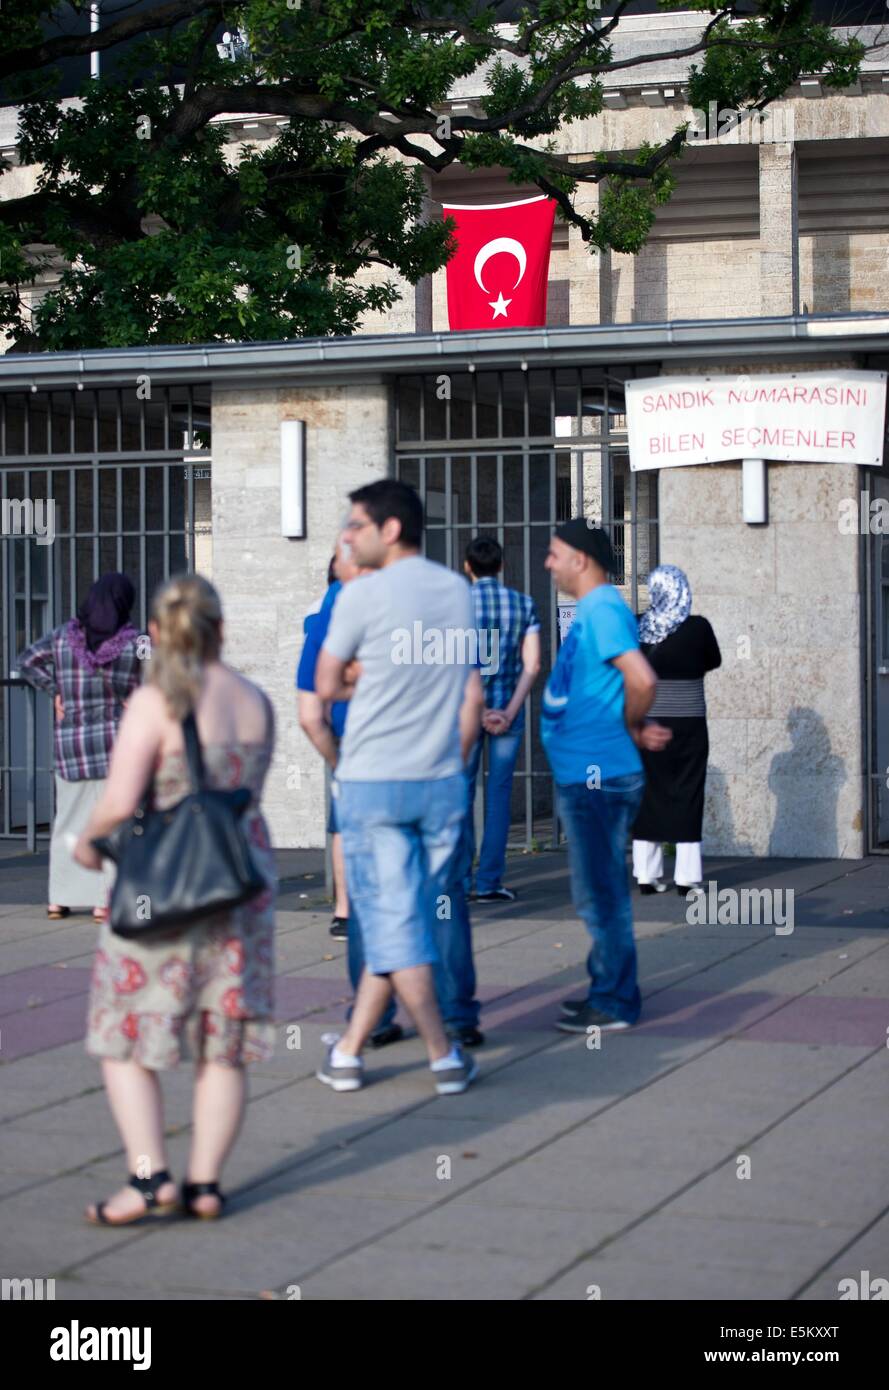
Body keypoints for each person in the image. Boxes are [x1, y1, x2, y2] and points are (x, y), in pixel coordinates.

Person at [73, 574, 277, 1225]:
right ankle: (206, 1185)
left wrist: (84, 845)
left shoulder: (155, 701)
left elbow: (119, 804)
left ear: (155, 633)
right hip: (238, 888)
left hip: (163, 895)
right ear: (221, 630)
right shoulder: (253, 700)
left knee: (123, 1037)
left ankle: (150, 1177)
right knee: (224, 1043)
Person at [315, 478, 484, 1094]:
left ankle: (439, 1055)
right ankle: (353, 1050)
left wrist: (365, 676)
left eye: (355, 524)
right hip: (439, 783)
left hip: (375, 782)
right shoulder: (457, 592)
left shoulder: (360, 596)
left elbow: (327, 683)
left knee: (395, 923)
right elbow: (465, 687)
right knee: (406, 918)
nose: (348, 535)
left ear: (389, 530)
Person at [540, 519, 670, 1034]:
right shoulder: (597, 611)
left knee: (602, 895)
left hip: (599, 777)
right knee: (596, 890)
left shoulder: (602, 609)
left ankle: (615, 1002)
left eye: (554, 554)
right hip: (589, 773)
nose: (548, 563)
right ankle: (605, 988)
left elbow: (642, 677)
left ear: (581, 560)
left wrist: (633, 723)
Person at [297, 540, 402, 1047]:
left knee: (366, 893)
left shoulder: (324, 615)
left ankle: (372, 1018)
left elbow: (310, 710)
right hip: (412, 768)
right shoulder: (413, 605)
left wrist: (339, 763)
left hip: (357, 761)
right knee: (417, 897)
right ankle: (448, 1026)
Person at [18, 573, 142, 924]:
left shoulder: (61, 637)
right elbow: (162, 666)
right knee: (113, 825)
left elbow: (25, 661)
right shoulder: (135, 643)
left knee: (68, 822)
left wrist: (55, 689)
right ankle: (105, 901)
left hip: (70, 744)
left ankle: (59, 900)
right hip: (115, 746)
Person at [631, 564, 722, 896]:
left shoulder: (639, 625)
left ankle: (646, 873)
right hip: (689, 723)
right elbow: (713, 661)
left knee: (648, 793)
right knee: (688, 793)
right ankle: (686, 877)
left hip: (648, 721)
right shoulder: (697, 628)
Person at [462, 536, 541, 903]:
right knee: (499, 795)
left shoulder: (454, 606)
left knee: (460, 794)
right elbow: (533, 665)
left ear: (467, 567)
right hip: (508, 712)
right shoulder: (524, 604)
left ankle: (458, 881)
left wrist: (478, 710)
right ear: (502, 566)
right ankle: (489, 881)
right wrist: (508, 710)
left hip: (466, 712)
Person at [297, 552, 351, 940]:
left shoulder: (319, 611)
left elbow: (310, 706)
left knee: (343, 824)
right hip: (387, 732)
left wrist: (331, 751)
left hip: (339, 728)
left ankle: (344, 911)